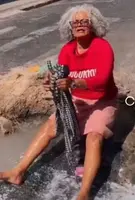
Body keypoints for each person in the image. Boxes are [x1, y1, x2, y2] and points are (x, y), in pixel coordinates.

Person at [0, 4, 118, 200]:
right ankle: (18, 171)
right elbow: (60, 73)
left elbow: (102, 80)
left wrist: (74, 82)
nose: (80, 25)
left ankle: (84, 193)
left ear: (93, 25)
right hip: (78, 100)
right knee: (49, 127)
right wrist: (52, 81)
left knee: (94, 136)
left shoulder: (102, 47)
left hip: (102, 100)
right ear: (70, 27)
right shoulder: (67, 50)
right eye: (76, 22)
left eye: (85, 21)